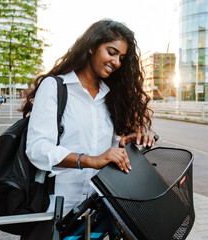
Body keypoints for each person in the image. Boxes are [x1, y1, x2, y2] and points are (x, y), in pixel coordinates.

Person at [19, 19, 155, 239]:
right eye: (111, 52)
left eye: (121, 58)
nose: (117, 62)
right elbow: (37, 149)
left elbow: (99, 147)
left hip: (94, 212)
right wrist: (89, 159)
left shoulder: (108, 96)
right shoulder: (55, 87)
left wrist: (120, 145)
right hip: (54, 212)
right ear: (92, 46)